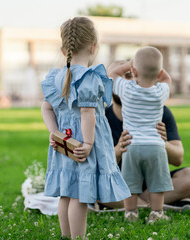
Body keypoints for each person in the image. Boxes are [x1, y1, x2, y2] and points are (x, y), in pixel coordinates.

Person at [40, 17, 130, 239]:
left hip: (65, 144)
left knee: (66, 193)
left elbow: (46, 107)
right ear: (93, 47)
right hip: (82, 145)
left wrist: (55, 132)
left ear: (64, 50)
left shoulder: (57, 77)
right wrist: (89, 143)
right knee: (80, 195)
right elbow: (87, 112)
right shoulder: (89, 77)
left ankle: (65, 235)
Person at [101, 60, 190, 212]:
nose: (122, 81)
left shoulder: (161, 112)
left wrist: (162, 142)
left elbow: (178, 159)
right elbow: (99, 166)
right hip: (120, 184)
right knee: (92, 184)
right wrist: (119, 150)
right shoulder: (101, 118)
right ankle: (154, 206)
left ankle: (134, 205)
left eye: (128, 76)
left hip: (153, 182)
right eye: (118, 78)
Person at [109, 47, 173, 223]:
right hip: (155, 146)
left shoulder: (127, 90)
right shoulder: (160, 92)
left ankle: (130, 213)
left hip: (132, 145)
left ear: (134, 71)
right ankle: (157, 213)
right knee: (157, 183)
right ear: (159, 72)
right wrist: (156, 69)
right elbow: (167, 78)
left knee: (129, 182)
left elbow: (112, 74)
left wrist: (129, 65)